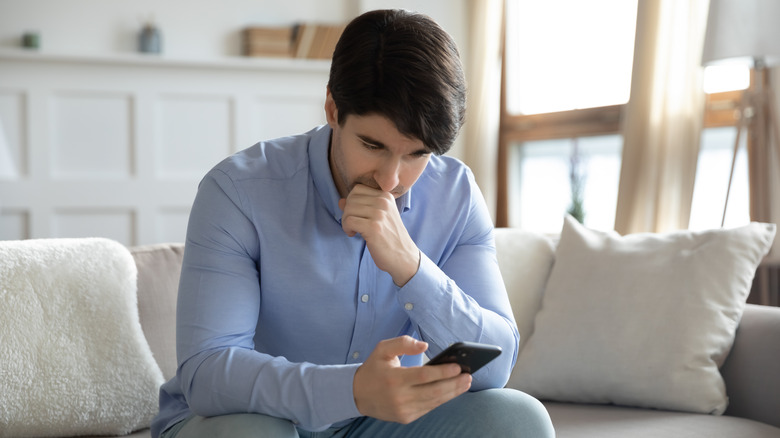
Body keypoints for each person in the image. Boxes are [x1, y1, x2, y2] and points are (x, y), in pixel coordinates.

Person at [152, 9, 554, 438]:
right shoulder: (238, 191)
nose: (391, 179)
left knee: (519, 420)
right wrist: (353, 390)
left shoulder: (456, 195)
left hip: (382, 423)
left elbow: (495, 365)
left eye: (417, 154)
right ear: (332, 108)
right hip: (255, 418)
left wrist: (412, 267)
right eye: (372, 144)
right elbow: (208, 373)